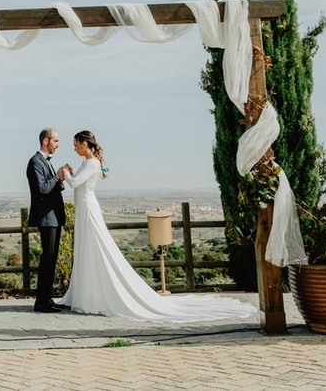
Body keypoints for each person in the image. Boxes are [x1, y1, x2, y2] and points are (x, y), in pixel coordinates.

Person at [54, 130, 257, 322]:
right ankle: (84, 294)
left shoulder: (91, 163)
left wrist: (65, 172)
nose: (74, 148)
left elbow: (73, 184)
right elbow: (77, 183)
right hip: (84, 210)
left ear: (84, 144)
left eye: (75, 145)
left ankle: (91, 296)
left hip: (88, 210)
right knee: (86, 250)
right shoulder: (88, 161)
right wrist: (71, 172)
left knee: (94, 249)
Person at [26, 128, 66, 313]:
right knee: (47, 259)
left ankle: (47, 298)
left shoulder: (46, 161)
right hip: (46, 218)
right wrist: (57, 178)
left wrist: (60, 179)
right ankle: (41, 301)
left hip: (54, 218)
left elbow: (53, 187)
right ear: (45, 141)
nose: (57, 145)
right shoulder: (35, 162)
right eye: (55, 141)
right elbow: (41, 189)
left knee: (51, 259)